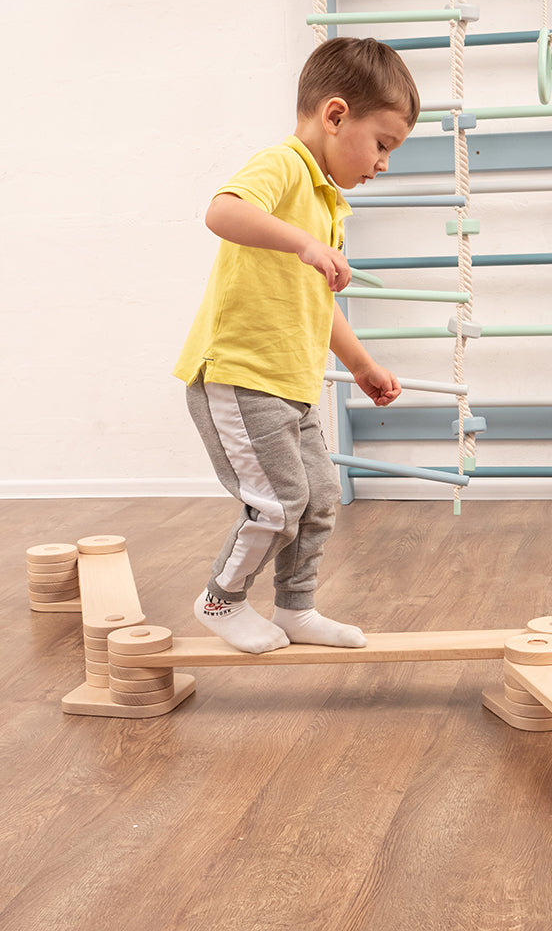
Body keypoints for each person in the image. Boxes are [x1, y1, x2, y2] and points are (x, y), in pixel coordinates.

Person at [173, 37, 418, 654]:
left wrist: (360, 364)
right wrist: (304, 244)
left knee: (319, 501)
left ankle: (295, 607)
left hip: (293, 384)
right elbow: (221, 211)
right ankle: (220, 599)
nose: (383, 163)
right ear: (335, 116)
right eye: (382, 144)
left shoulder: (329, 202)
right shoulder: (284, 166)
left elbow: (318, 302)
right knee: (278, 504)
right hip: (240, 376)